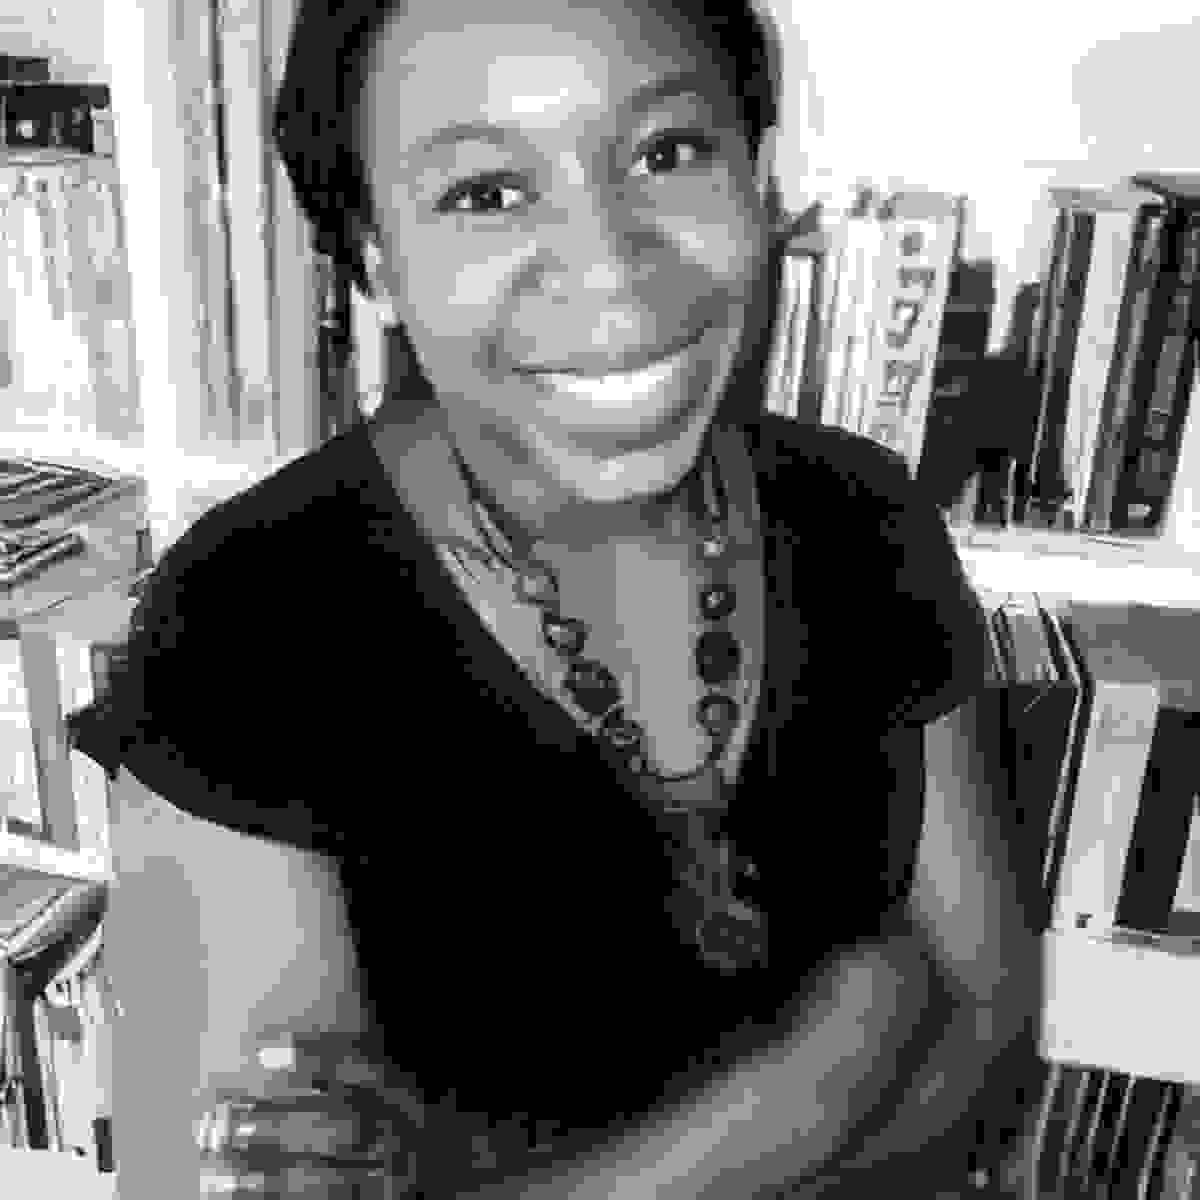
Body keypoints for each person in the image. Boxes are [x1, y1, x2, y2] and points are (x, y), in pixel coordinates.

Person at [70, 0, 1043, 1196]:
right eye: (484, 192)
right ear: (371, 257)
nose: (613, 268)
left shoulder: (864, 521)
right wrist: (837, 1056)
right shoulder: (250, 622)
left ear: (759, 171)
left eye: (667, 152)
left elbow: (986, 1065)